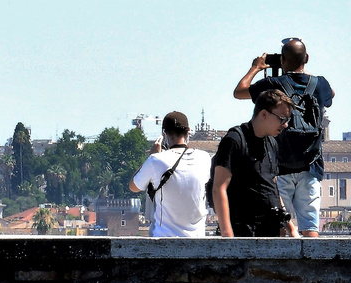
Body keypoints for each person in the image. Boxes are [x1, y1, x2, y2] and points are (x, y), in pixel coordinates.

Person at [233, 38, 333, 237]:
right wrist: (306, 72)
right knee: (310, 227)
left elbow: (239, 92)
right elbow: (331, 95)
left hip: (278, 166)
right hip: (311, 165)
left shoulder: (273, 85)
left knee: (277, 224)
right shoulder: (320, 84)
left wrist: (255, 68)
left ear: (282, 60)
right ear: (307, 58)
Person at [211, 88, 298, 238]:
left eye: (287, 120)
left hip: (271, 229)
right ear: (264, 114)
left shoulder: (272, 143)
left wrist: (291, 227)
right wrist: (227, 234)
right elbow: (219, 188)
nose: (285, 125)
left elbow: (272, 187)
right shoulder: (234, 140)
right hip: (243, 229)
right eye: (282, 119)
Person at [129, 111, 212, 237]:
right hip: (197, 241)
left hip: (164, 240)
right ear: (188, 131)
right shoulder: (204, 158)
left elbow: (133, 186)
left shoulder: (156, 160)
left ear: (164, 133)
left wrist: (152, 155)